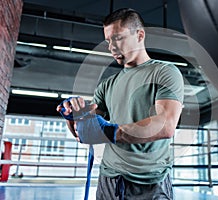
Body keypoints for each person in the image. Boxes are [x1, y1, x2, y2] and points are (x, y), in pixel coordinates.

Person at [57, 8, 184, 200]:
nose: (111, 48)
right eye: (108, 41)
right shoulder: (107, 85)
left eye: (118, 39)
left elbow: (166, 125)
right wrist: (73, 116)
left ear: (140, 35)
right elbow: (84, 133)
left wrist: (110, 131)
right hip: (109, 179)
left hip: (149, 183)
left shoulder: (164, 72)